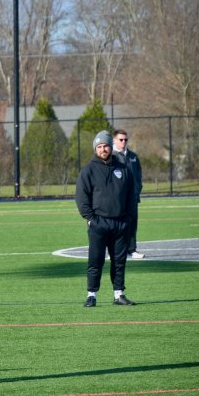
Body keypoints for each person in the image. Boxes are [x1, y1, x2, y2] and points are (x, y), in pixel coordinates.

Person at [75, 130, 136, 307]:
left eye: (106, 146)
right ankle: (91, 295)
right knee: (96, 260)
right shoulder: (88, 171)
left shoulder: (123, 168)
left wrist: (128, 218)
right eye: (99, 146)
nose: (103, 149)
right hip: (98, 223)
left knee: (119, 261)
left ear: (111, 147)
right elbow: (81, 197)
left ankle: (119, 295)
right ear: (95, 149)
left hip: (120, 223)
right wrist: (91, 218)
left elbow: (131, 195)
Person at [113, 128, 144, 259]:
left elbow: (138, 176)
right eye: (121, 139)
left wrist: (137, 191)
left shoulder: (133, 157)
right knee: (116, 226)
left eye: (125, 140)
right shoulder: (111, 157)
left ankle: (132, 250)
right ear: (114, 140)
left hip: (132, 198)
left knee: (132, 224)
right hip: (117, 200)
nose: (123, 142)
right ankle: (115, 251)